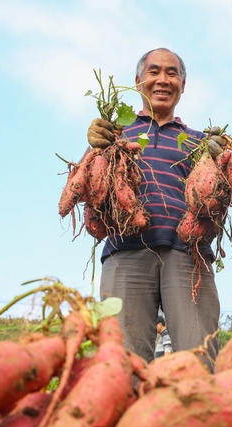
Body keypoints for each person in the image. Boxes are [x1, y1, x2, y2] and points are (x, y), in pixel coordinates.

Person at [86, 48, 222, 365]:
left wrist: (221, 161)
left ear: (183, 85)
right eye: (154, 71)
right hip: (125, 249)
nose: (163, 79)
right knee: (121, 358)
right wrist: (96, 149)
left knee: (198, 355)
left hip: (188, 253)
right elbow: (91, 188)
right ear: (138, 81)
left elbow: (216, 199)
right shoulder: (114, 134)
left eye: (172, 73)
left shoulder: (199, 142)